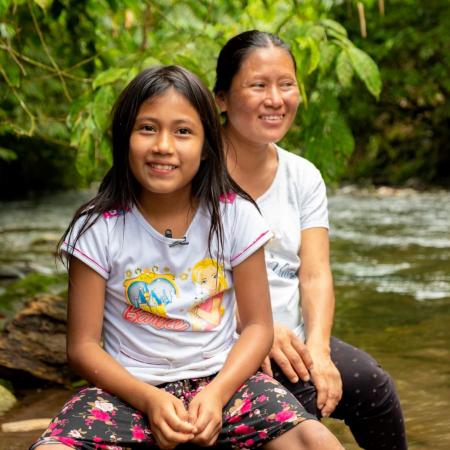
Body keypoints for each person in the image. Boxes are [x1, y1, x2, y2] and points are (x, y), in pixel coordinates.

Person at [30, 65, 345, 450]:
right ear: (124, 138)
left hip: (225, 384)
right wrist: (149, 399)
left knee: (315, 440)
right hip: (127, 393)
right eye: (147, 128)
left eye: (183, 132)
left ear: (207, 145)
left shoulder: (235, 216)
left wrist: (216, 395)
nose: (164, 145)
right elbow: (82, 347)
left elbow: (259, 327)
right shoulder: (98, 227)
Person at [213, 30, 408, 450]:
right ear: (222, 99)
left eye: (286, 84)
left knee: (373, 387)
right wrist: (257, 326)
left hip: (296, 338)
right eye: (258, 85)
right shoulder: (197, 173)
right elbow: (179, 272)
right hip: (222, 338)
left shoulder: (303, 175)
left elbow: (315, 273)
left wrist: (319, 349)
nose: (276, 99)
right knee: (294, 417)